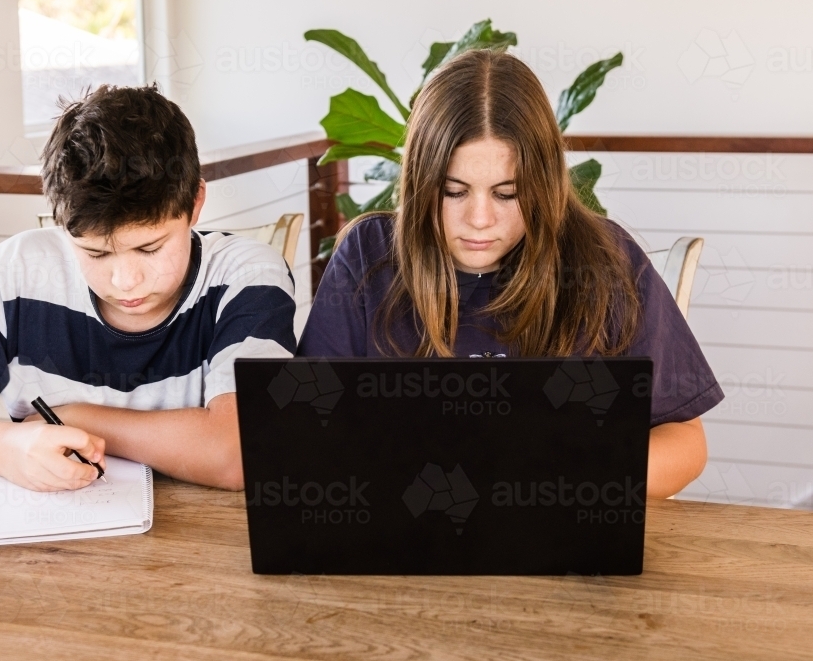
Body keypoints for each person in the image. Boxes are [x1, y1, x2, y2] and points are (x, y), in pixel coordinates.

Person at [297, 50, 723, 498]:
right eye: (453, 191)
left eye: (507, 194)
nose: (479, 219)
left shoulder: (605, 260)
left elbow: (685, 441)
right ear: (420, 183)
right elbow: (308, 427)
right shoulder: (369, 256)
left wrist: (568, 485)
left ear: (541, 185)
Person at [0, 85, 295, 492]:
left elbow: (239, 452)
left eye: (150, 247)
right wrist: (4, 448)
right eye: (96, 254)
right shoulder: (17, 273)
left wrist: (76, 418)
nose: (125, 281)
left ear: (195, 203)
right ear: (62, 227)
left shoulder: (249, 276)